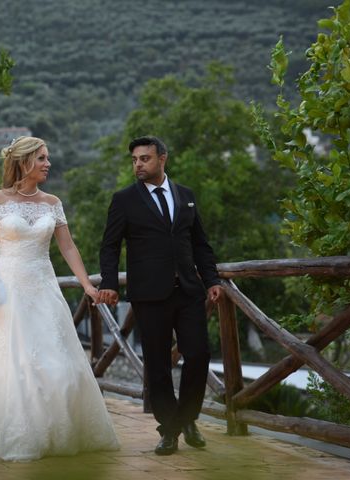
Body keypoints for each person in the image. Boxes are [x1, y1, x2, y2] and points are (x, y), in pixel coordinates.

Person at [0, 136, 119, 461]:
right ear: (25, 161)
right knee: (8, 360)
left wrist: (87, 284)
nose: (48, 164)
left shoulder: (52, 202)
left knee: (55, 360)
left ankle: (58, 432)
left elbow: (67, 246)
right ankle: (9, 434)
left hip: (43, 285)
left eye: (47, 158)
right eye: (42, 158)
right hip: (6, 286)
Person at [98, 135, 223, 456]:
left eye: (145, 159)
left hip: (189, 292)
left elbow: (201, 245)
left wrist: (212, 279)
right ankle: (170, 429)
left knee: (198, 355)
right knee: (157, 366)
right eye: (135, 160)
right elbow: (110, 246)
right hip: (149, 295)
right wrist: (109, 282)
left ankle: (185, 418)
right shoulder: (124, 200)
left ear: (162, 159)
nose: (138, 164)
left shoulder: (186, 197)